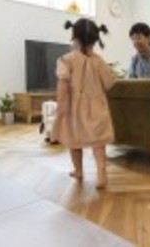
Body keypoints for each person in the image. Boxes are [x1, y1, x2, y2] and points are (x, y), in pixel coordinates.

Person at [52, 18, 116, 190]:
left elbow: (63, 83)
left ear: (74, 37)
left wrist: (61, 105)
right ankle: (101, 173)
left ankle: (79, 170)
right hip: (97, 107)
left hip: (74, 109)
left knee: (74, 142)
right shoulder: (99, 61)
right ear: (96, 39)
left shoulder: (66, 59)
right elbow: (109, 83)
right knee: (98, 142)